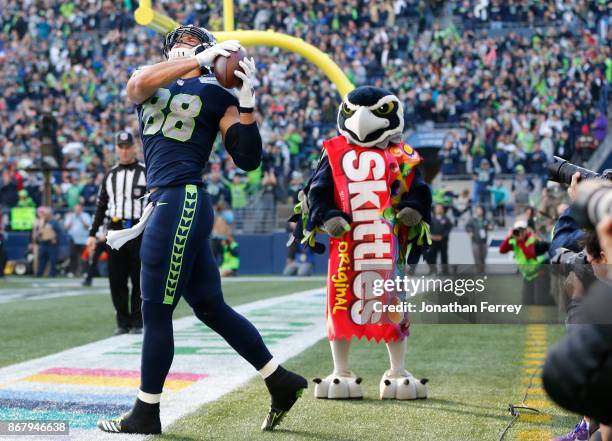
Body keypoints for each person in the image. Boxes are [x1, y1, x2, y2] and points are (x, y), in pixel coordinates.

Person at [97, 26, 306, 435]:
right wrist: (198, 60)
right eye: (179, 44)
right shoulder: (151, 75)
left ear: (210, 52)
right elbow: (136, 85)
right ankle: (279, 380)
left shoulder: (217, 94)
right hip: (170, 202)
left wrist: (245, 101)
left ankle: (146, 412)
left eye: (194, 45)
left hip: (181, 198)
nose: (184, 47)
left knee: (155, 309)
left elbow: (247, 159)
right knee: (210, 307)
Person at [87, 131, 146, 335]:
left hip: (138, 229)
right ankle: (123, 321)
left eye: (128, 146)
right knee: (117, 278)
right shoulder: (110, 175)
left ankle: (138, 321)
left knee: (138, 278)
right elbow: (101, 205)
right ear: (116, 149)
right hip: (114, 230)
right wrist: (92, 233)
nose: (124, 150)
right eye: (121, 147)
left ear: (134, 147)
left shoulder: (146, 172)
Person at [499, 220, 551, 305]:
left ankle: (548, 297)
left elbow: (529, 254)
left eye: (522, 230)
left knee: (540, 302)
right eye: (517, 231)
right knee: (526, 302)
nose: (520, 233)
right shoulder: (514, 241)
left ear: (526, 230)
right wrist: (508, 237)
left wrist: (520, 241)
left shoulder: (532, 239)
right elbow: (502, 250)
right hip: (528, 275)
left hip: (540, 272)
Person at [33, 207, 61, 277]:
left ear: (49, 214)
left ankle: (52, 274)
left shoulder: (54, 222)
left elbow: (59, 232)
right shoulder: (41, 221)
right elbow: (38, 231)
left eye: (45, 214)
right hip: (43, 242)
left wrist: (55, 238)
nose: (44, 215)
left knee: (53, 259)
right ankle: (39, 273)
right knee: (42, 259)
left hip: (52, 243)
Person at [64, 204, 91, 277]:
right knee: (72, 255)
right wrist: (71, 221)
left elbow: (88, 227)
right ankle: (72, 271)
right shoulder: (70, 216)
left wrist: (81, 219)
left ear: (81, 209)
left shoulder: (86, 215)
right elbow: (66, 227)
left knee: (85, 256)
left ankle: (85, 272)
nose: (77, 211)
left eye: (78, 209)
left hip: (84, 239)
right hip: (73, 238)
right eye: (76, 209)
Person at [426, 204, 453, 274]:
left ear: (443, 210)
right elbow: (426, 228)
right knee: (432, 256)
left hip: (443, 241)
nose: (439, 209)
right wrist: (430, 236)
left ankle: (445, 271)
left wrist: (442, 236)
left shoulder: (446, 219)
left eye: (440, 208)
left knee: (444, 256)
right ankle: (433, 270)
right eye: (437, 208)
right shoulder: (431, 219)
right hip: (432, 240)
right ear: (434, 210)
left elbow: (448, 229)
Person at [466, 206, 491, 274]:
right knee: (477, 258)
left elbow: (491, 226)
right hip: (475, 241)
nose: (479, 211)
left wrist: (490, 227)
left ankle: (482, 272)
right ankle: (477, 272)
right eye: (478, 210)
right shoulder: (472, 219)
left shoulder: (485, 219)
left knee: (483, 257)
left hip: (484, 241)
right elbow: (467, 226)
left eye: (480, 210)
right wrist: (470, 232)